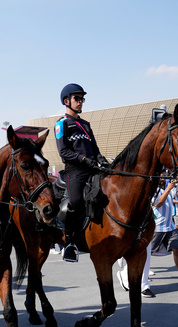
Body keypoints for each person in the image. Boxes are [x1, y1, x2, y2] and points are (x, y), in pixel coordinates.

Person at [55, 83, 109, 262]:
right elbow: (64, 152)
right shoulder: (61, 124)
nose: (80, 102)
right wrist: (83, 159)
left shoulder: (85, 124)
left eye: (82, 99)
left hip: (93, 168)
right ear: (66, 101)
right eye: (77, 98)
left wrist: (101, 159)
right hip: (75, 171)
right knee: (76, 202)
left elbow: (94, 147)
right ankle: (69, 243)